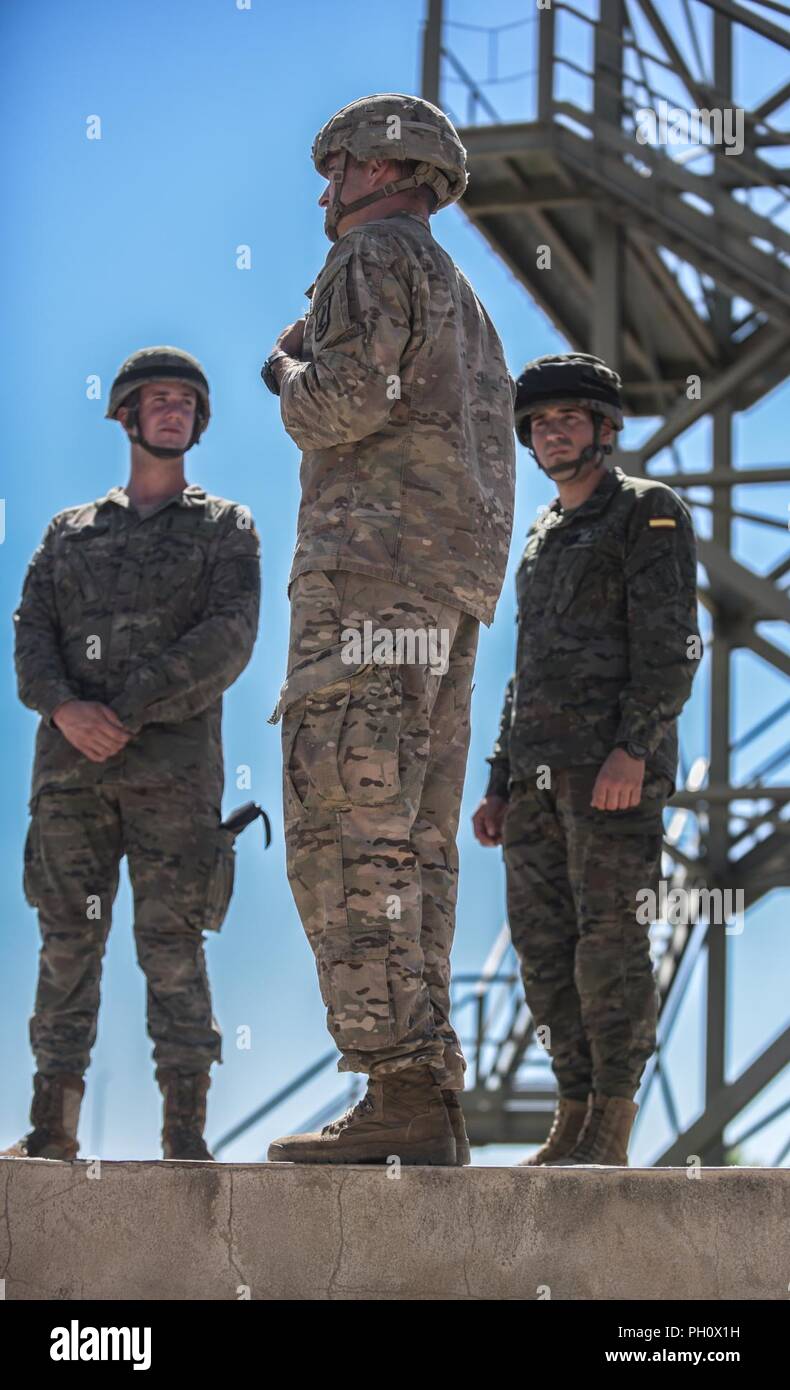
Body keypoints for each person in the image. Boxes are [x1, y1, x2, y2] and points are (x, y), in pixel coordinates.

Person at [261, 94, 516, 1165]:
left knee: (342, 826)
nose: (325, 193)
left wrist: (283, 371)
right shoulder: (465, 299)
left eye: (336, 170)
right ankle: (417, 1085)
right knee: (410, 840)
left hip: (368, 584)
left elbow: (340, 402)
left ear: (380, 168)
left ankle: (404, 1085)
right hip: (444, 596)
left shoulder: (371, 258)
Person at [4, 347, 260, 1162]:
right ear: (125, 414)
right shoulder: (70, 534)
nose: (174, 410)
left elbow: (229, 637)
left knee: (172, 945)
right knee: (66, 946)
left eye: (186, 400)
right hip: (70, 777)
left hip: (174, 779)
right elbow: (29, 638)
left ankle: (184, 1137)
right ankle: (53, 1130)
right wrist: (66, 708)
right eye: (158, 398)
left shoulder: (226, 529)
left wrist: (126, 707)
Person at [472, 353, 701, 1165]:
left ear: (604, 429)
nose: (550, 433)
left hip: (609, 775)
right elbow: (525, 668)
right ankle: (570, 1110)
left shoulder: (650, 512)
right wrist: (499, 780)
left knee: (609, 946)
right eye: (539, 423)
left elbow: (674, 645)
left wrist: (632, 750)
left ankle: (611, 1118)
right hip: (534, 782)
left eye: (568, 418)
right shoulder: (542, 535)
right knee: (544, 955)